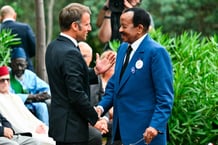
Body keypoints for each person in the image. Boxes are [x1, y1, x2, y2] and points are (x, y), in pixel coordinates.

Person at [96, 7, 174, 145]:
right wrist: (101, 108)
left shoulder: (156, 52)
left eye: (124, 26)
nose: (119, 30)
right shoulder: (122, 49)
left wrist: (155, 125)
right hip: (120, 131)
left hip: (145, 133)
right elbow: (115, 86)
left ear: (139, 28)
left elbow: (165, 96)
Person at [45, 3, 115, 145]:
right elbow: (76, 93)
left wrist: (95, 71)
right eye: (87, 24)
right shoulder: (71, 52)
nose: (90, 28)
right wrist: (95, 119)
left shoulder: (53, 46)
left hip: (61, 125)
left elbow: (67, 80)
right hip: (72, 129)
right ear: (75, 26)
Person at [0, 66, 55, 145]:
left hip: (29, 127)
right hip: (23, 130)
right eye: (2, 80)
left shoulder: (15, 97)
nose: (5, 83)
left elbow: (26, 116)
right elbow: (14, 121)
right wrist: (33, 128)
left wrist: (38, 125)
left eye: (7, 80)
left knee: (49, 134)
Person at [9, 47, 50, 126]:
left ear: (26, 64)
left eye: (21, 65)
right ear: (11, 64)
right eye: (16, 65)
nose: (19, 68)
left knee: (42, 106)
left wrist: (45, 94)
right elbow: (10, 96)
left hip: (31, 104)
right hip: (16, 105)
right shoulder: (7, 77)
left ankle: (46, 131)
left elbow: (46, 88)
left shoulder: (30, 75)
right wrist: (32, 96)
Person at [0, 5, 36, 71]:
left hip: (3, 71)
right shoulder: (25, 28)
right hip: (25, 68)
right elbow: (34, 48)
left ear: (0, 18)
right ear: (15, 15)